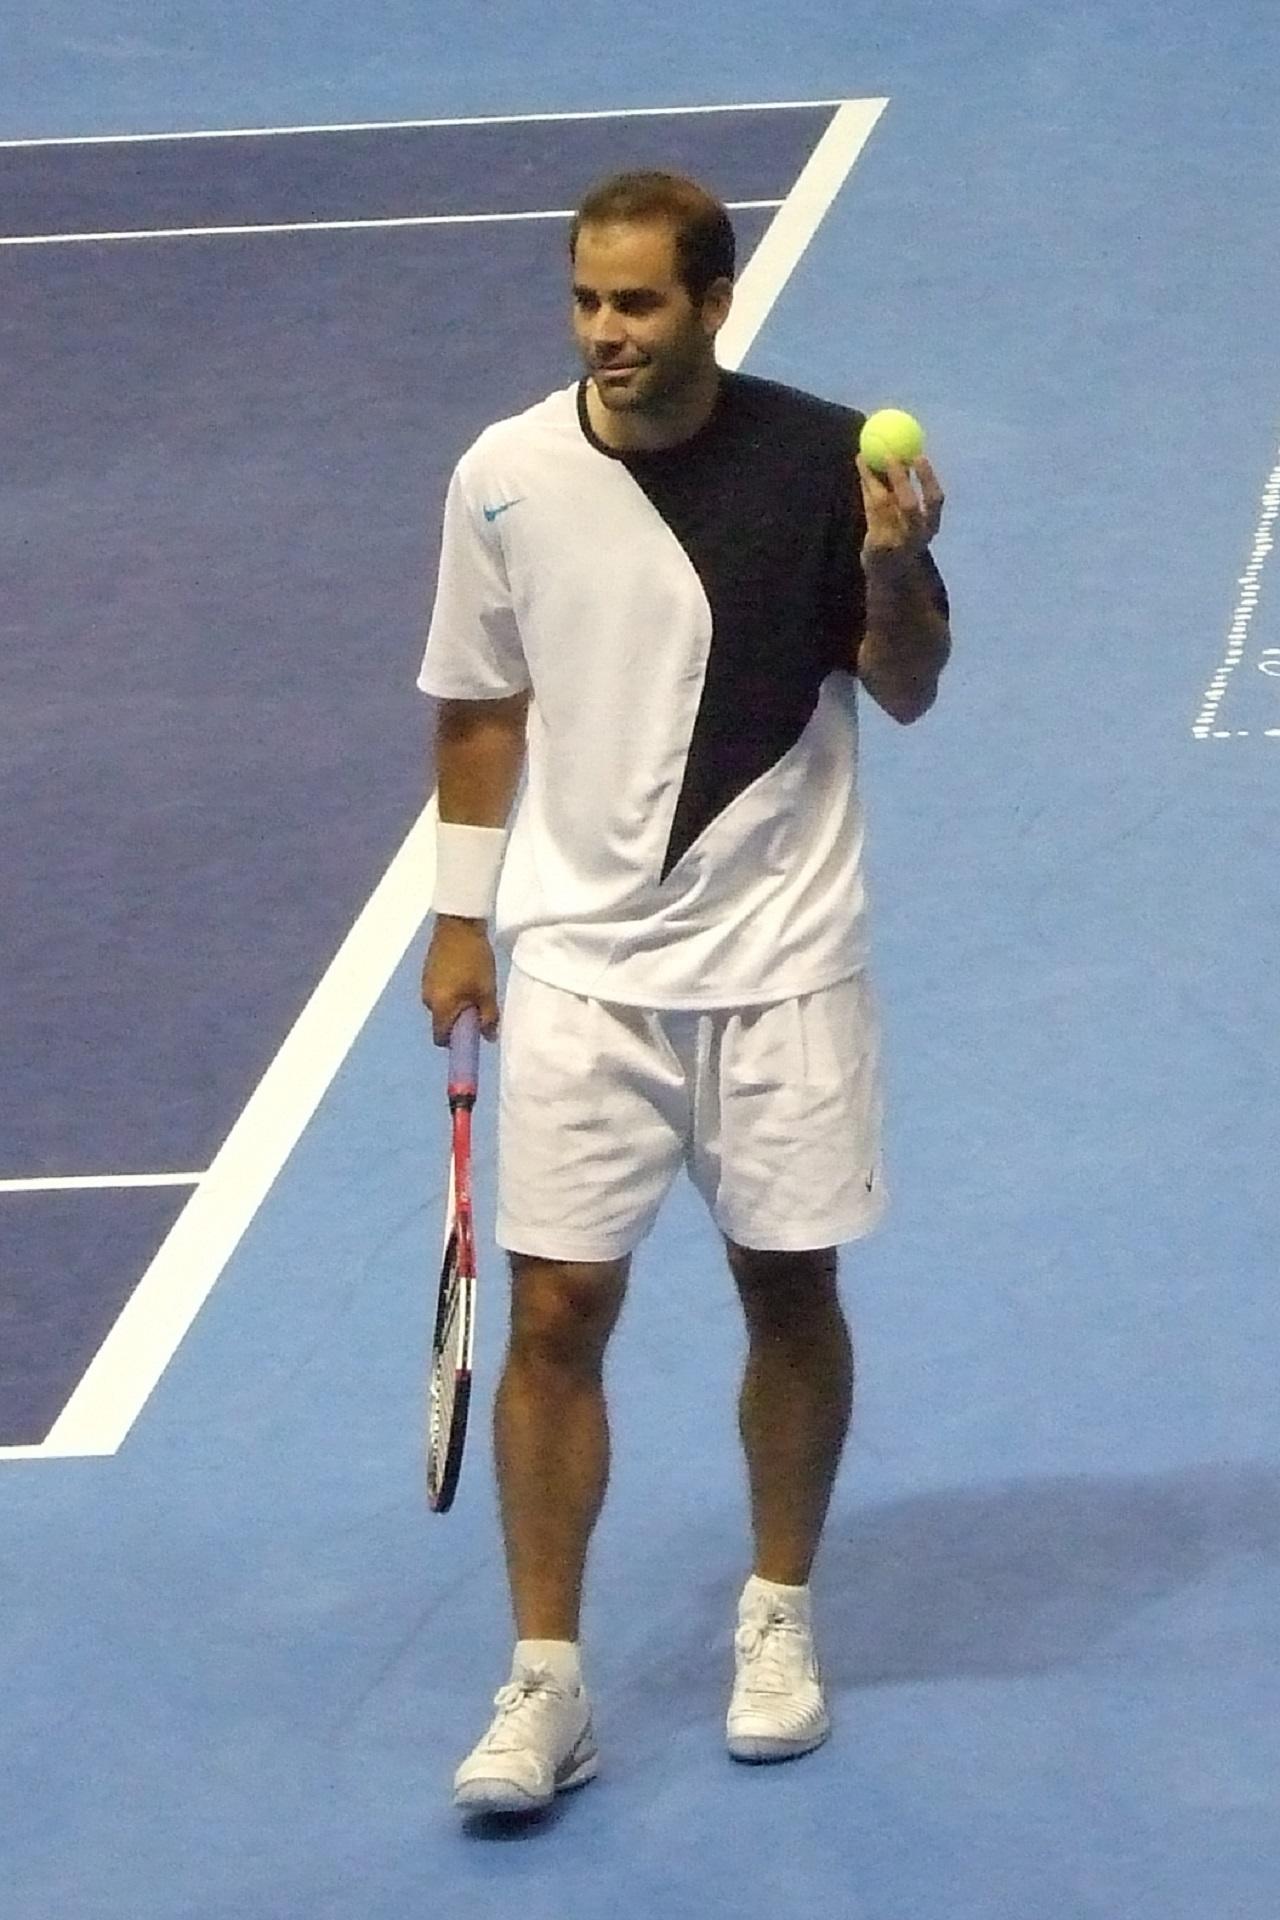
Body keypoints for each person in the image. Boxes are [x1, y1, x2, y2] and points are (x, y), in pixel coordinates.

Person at [418, 170, 949, 1817]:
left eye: (639, 303)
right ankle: (547, 1684)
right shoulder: (504, 475)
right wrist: (459, 921)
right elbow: (481, 702)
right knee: (556, 1315)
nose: (606, 332)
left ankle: (777, 1616)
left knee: (788, 1291)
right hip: (583, 964)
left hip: (783, 959)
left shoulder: (824, 458)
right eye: (586, 299)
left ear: (714, 303)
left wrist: (897, 563)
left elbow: (912, 687)